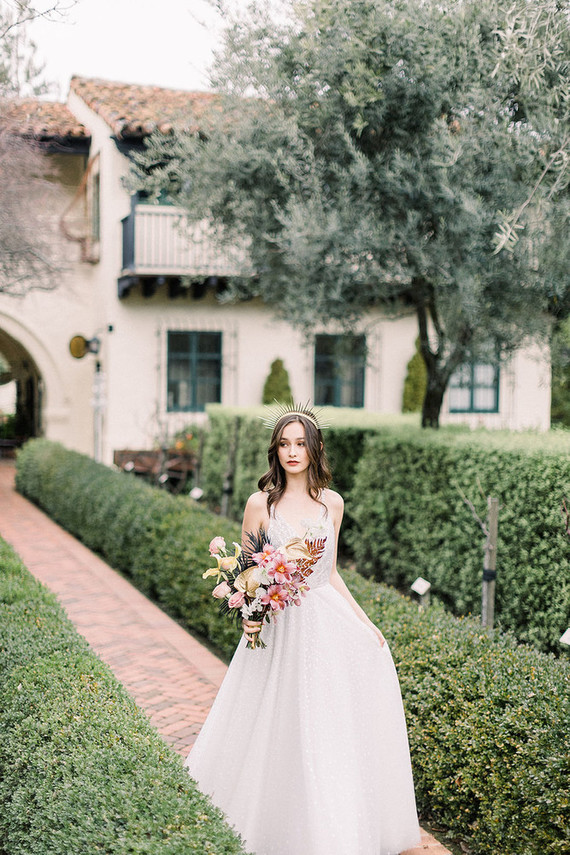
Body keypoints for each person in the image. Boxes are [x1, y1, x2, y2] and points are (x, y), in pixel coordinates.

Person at [185, 406, 420, 855]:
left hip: (324, 619)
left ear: (315, 449)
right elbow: (250, 571)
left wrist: (363, 620)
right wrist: (250, 609)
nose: (292, 452)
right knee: (275, 716)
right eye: (284, 443)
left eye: (300, 443)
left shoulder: (333, 502)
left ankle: (328, 825)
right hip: (279, 623)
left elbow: (329, 573)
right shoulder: (262, 505)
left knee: (326, 720)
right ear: (275, 450)